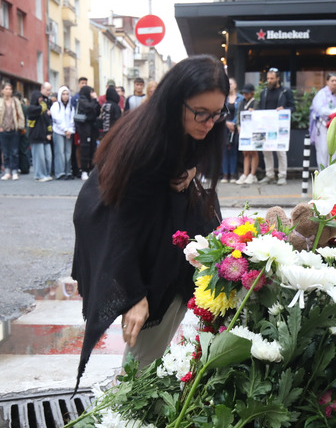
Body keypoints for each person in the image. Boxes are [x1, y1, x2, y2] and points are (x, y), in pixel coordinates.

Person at [71, 55, 228, 387]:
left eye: (217, 114)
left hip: (169, 237)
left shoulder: (187, 128)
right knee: (143, 357)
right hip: (128, 235)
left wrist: (191, 169)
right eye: (200, 113)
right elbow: (121, 226)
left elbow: (193, 154)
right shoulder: (146, 143)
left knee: (163, 325)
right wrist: (133, 294)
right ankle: (121, 422)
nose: (208, 123)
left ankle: (133, 408)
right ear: (174, 103)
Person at [257, 68, 294, 185]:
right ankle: (269, 175)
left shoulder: (285, 92)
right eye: (268, 78)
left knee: (281, 151)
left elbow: (293, 107)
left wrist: (285, 109)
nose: (269, 80)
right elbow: (261, 107)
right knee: (266, 151)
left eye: (272, 78)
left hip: (279, 127)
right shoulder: (264, 92)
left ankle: (282, 175)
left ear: (278, 78)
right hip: (265, 126)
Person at [0, 82, 26, 180]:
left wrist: (20, 126)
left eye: (10, 89)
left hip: (14, 129)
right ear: (2, 90)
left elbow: (20, 115)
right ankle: (7, 171)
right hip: (3, 130)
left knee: (15, 152)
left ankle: (15, 170)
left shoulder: (15, 101)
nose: (8, 91)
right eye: (6, 89)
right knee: (5, 152)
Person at [309, 74, 336, 169]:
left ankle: (332, 174)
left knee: (334, 149)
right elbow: (319, 109)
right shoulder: (321, 94)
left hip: (335, 124)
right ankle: (322, 173)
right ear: (327, 82)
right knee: (323, 149)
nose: (334, 83)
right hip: (322, 124)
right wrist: (333, 112)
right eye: (332, 80)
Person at [74, 85, 100, 181]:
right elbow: (89, 107)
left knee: (93, 147)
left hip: (92, 126)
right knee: (85, 147)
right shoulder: (82, 100)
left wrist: (96, 100)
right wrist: (93, 100)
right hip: (84, 127)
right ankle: (84, 170)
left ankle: (92, 168)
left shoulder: (91, 100)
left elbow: (97, 111)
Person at [27, 88, 54, 181]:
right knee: (39, 158)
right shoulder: (31, 108)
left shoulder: (43, 109)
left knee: (48, 157)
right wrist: (44, 105)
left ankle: (46, 173)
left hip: (44, 136)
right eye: (39, 98)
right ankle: (39, 175)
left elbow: (48, 121)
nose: (41, 99)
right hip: (36, 136)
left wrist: (49, 132)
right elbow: (40, 109)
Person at [234, 83, 258, 184]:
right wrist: (238, 126)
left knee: (253, 152)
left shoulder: (256, 102)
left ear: (252, 93)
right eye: (244, 93)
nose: (245, 94)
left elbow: (259, 115)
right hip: (244, 130)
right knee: (245, 152)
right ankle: (245, 173)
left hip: (254, 131)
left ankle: (253, 175)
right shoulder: (241, 103)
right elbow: (238, 115)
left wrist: (254, 112)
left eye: (247, 93)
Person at [51, 85, 75, 180]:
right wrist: (65, 129)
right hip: (59, 131)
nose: (65, 96)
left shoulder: (71, 106)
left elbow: (72, 119)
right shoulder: (55, 106)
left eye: (67, 94)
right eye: (63, 94)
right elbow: (56, 119)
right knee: (60, 152)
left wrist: (70, 130)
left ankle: (68, 171)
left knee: (68, 152)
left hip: (69, 132)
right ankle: (60, 172)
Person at [221, 78, 242, 183]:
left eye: (231, 84)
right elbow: (219, 112)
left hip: (235, 127)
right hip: (224, 127)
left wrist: (234, 123)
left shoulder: (241, 98)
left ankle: (233, 174)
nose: (229, 86)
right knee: (224, 151)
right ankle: (225, 174)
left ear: (235, 85)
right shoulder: (223, 98)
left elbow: (241, 112)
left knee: (233, 150)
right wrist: (226, 122)